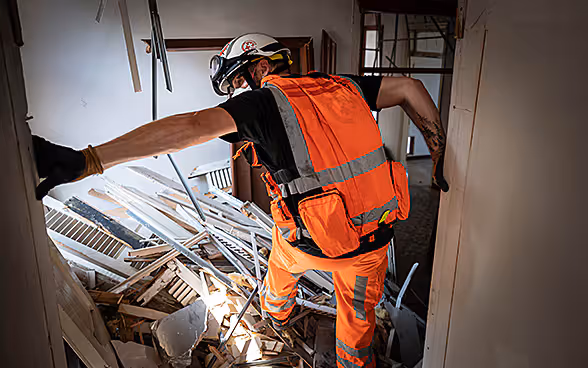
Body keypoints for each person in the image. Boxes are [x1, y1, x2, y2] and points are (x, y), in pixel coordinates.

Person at [33, 33, 449, 367]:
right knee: (357, 324)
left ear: (261, 67)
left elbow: (191, 126)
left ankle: (276, 317)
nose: (234, 93)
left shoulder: (263, 104)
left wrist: (89, 160)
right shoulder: (345, 85)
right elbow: (410, 87)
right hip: (372, 246)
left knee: (280, 271)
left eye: (235, 81)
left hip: (311, 246)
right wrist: (437, 153)